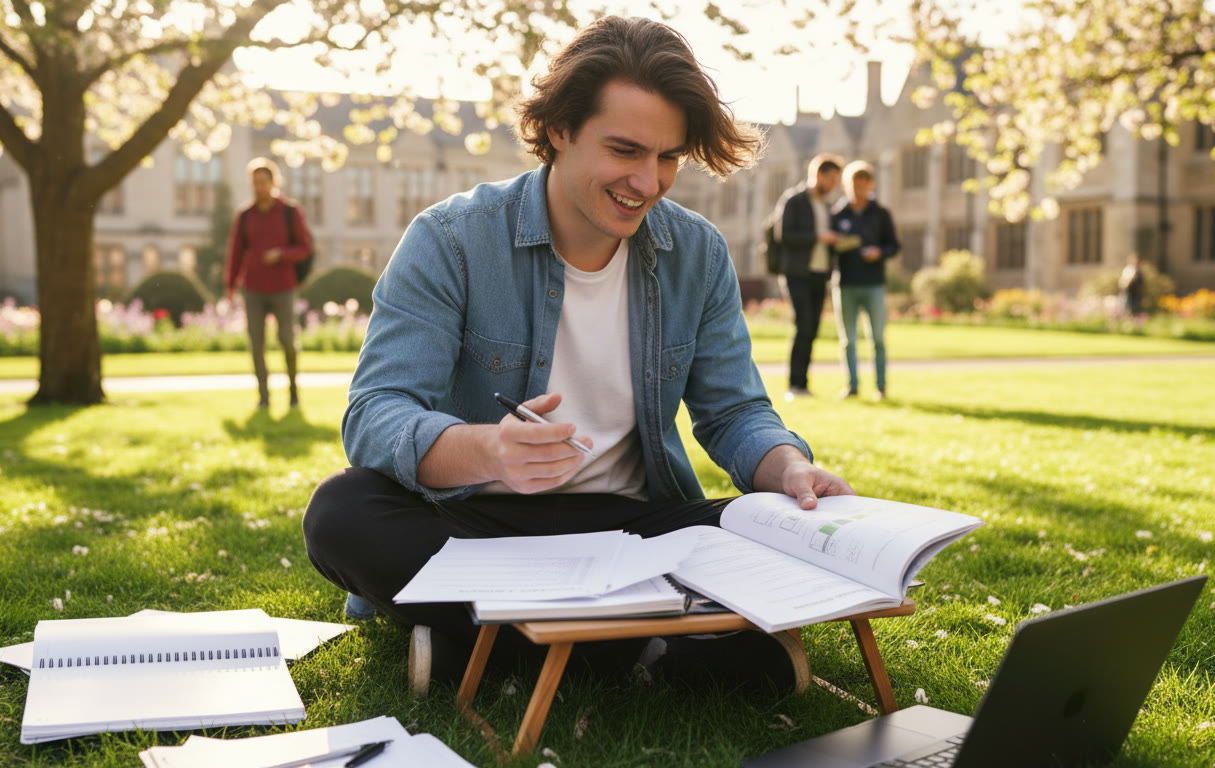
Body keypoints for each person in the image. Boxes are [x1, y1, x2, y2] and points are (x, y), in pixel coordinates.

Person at [301, 16, 856, 699]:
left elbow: (734, 410)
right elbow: (376, 414)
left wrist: (788, 468)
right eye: (624, 150)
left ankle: (486, 645)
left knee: (765, 525)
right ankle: (649, 649)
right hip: (483, 524)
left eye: (668, 158)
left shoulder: (699, 253)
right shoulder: (451, 239)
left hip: (632, 522)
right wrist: (490, 451)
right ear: (559, 129)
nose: (647, 183)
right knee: (341, 510)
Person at [224, 157, 312, 408]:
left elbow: (305, 247)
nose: (259, 187)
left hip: (283, 286)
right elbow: (235, 253)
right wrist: (230, 287)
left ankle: (293, 393)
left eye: (264, 182)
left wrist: (281, 254)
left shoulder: (289, 212)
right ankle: (263, 397)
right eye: (255, 182)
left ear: (274, 182)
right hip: (253, 288)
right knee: (257, 343)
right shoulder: (244, 215)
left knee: (286, 339)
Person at [777, 153, 844, 400]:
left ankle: (803, 384)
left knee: (813, 329)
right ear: (819, 175)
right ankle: (795, 385)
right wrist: (818, 236)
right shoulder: (794, 201)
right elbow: (784, 236)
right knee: (802, 326)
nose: (835, 185)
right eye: (832, 179)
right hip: (797, 273)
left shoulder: (827, 206)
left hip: (820, 273)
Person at [830, 160, 898, 401]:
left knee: (877, 338)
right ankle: (852, 386)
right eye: (853, 185)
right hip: (845, 283)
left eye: (862, 184)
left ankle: (881, 387)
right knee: (848, 340)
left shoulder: (881, 214)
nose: (857, 189)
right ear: (846, 186)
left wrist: (879, 252)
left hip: (873, 284)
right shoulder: (837, 214)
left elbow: (894, 246)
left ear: (871, 184)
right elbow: (829, 250)